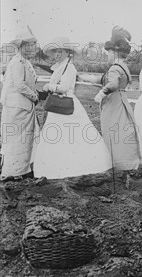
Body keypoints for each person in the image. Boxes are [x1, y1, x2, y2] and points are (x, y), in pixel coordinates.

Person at [33, 37, 111, 179]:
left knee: (71, 136)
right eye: (55, 52)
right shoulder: (59, 67)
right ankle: (53, 168)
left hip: (66, 103)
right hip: (56, 106)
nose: (57, 55)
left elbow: (64, 88)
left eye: (60, 52)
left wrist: (49, 86)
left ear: (68, 53)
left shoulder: (69, 67)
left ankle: (75, 167)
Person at [94, 26, 142, 173]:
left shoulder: (114, 67)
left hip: (114, 103)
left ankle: (118, 164)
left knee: (113, 132)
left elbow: (113, 83)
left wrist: (101, 94)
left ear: (114, 52)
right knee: (123, 131)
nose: (107, 55)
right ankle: (128, 162)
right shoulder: (123, 66)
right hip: (122, 101)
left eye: (109, 52)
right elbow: (106, 80)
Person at [0, 28, 39, 181]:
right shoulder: (17, 62)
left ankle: (21, 169)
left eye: (33, 45)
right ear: (20, 46)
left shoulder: (24, 61)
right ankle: (12, 171)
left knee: (23, 138)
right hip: (17, 107)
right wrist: (34, 96)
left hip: (23, 106)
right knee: (16, 138)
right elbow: (20, 85)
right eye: (28, 45)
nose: (31, 48)